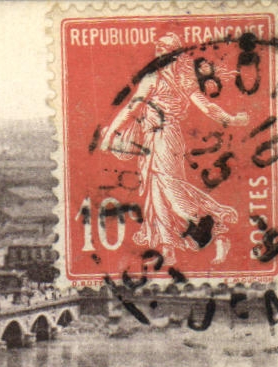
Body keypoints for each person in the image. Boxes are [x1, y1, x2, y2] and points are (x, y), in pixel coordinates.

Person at [102, 33, 248, 263]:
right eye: (160, 52)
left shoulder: (178, 80)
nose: (161, 57)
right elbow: (132, 108)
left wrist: (231, 119)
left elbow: (205, 106)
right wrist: (111, 132)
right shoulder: (160, 78)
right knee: (157, 191)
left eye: (165, 52)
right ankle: (167, 247)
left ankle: (210, 222)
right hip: (153, 139)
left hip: (166, 137)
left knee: (170, 188)